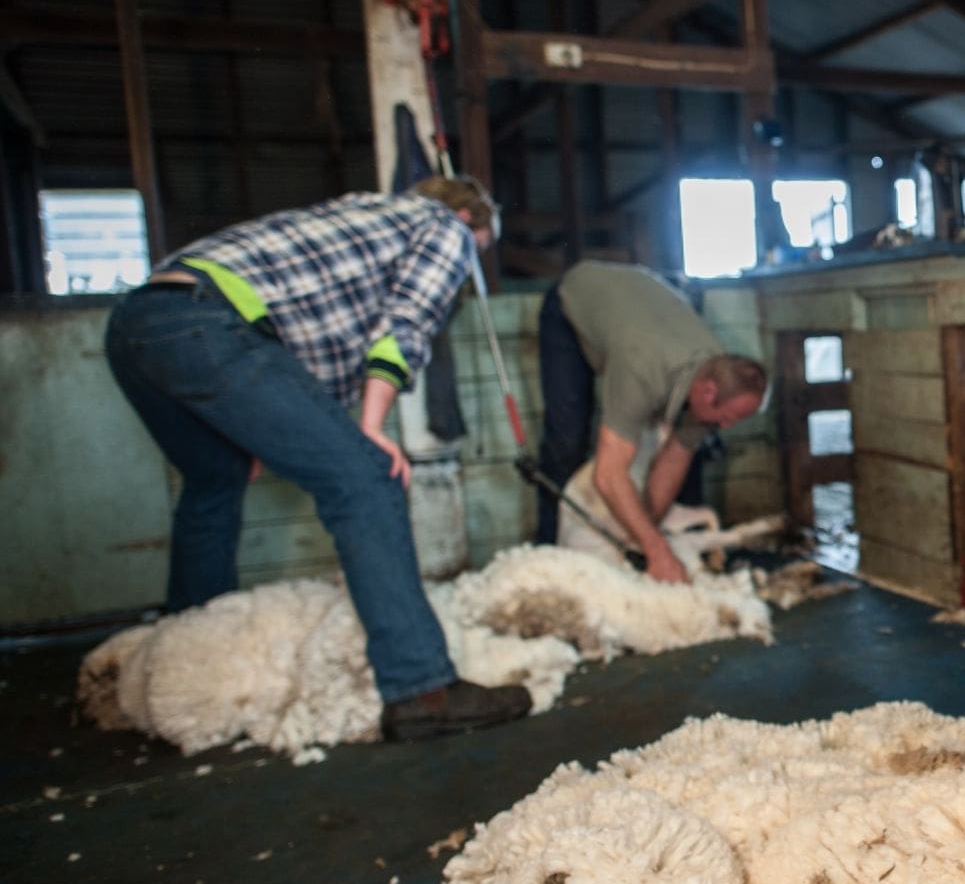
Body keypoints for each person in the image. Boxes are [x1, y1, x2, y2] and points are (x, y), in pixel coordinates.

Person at [104, 178, 533, 742]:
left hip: (137, 324)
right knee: (366, 477)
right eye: (479, 248)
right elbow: (404, 330)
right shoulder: (443, 228)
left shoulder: (355, 212)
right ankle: (421, 687)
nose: (468, 262)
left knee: (215, 480)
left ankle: (191, 659)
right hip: (213, 321)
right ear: (462, 217)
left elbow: (289, 375)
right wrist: (373, 429)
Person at [534, 261, 767, 583]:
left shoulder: (715, 371)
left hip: (639, 309)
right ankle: (548, 562)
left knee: (679, 459)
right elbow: (608, 474)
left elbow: (677, 454)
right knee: (567, 440)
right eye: (726, 418)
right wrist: (658, 552)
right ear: (708, 392)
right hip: (573, 303)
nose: (726, 426)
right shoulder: (642, 369)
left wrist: (644, 541)